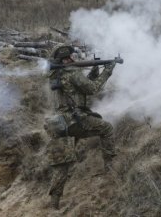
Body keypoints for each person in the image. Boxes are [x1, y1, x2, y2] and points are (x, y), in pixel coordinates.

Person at [45, 44, 116, 210]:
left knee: (62, 166)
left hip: (58, 124)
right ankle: (111, 171)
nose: (75, 58)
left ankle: (54, 204)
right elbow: (92, 88)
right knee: (107, 129)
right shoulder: (72, 72)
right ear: (68, 58)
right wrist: (108, 71)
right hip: (74, 121)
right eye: (72, 56)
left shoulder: (55, 73)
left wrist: (93, 71)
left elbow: (77, 88)